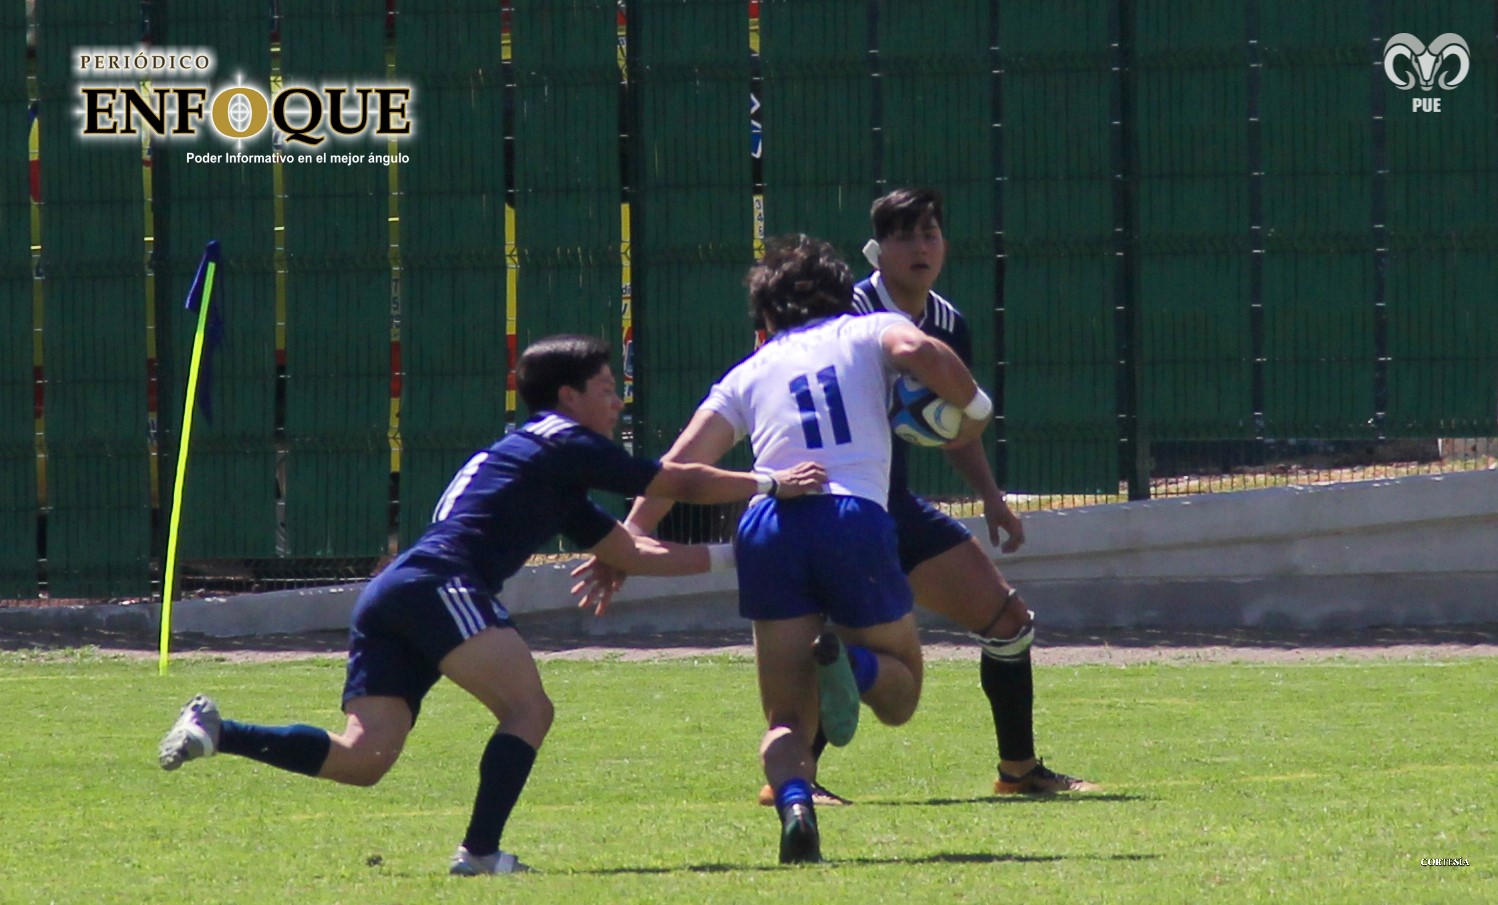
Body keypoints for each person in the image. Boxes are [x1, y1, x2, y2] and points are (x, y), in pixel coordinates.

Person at [157, 333, 827, 877]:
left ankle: (221, 729)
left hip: (398, 589)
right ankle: (479, 853)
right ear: (569, 397)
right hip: (440, 582)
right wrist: (771, 482)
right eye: (606, 388)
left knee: (364, 758)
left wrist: (738, 557)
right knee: (529, 708)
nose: (618, 401)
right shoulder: (562, 440)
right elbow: (674, 478)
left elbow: (631, 551)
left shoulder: (537, 459)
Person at [574, 234, 994, 863]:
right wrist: (976, 407)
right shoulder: (869, 328)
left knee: (784, 716)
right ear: (840, 295)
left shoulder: (749, 371)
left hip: (768, 523)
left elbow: (680, 464)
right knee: (901, 695)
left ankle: (796, 802)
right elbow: (919, 348)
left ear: (765, 318)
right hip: (851, 515)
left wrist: (625, 541)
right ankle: (854, 667)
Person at [825, 187, 1098, 799]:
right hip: (840, 506)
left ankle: (1019, 772)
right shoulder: (846, 314)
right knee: (847, 641)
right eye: (905, 235)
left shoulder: (948, 324)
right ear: (878, 248)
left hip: (895, 505)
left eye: (931, 233)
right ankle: (796, 777)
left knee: (1007, 621)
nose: (921, 247)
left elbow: (957, 427)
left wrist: (992, 499)